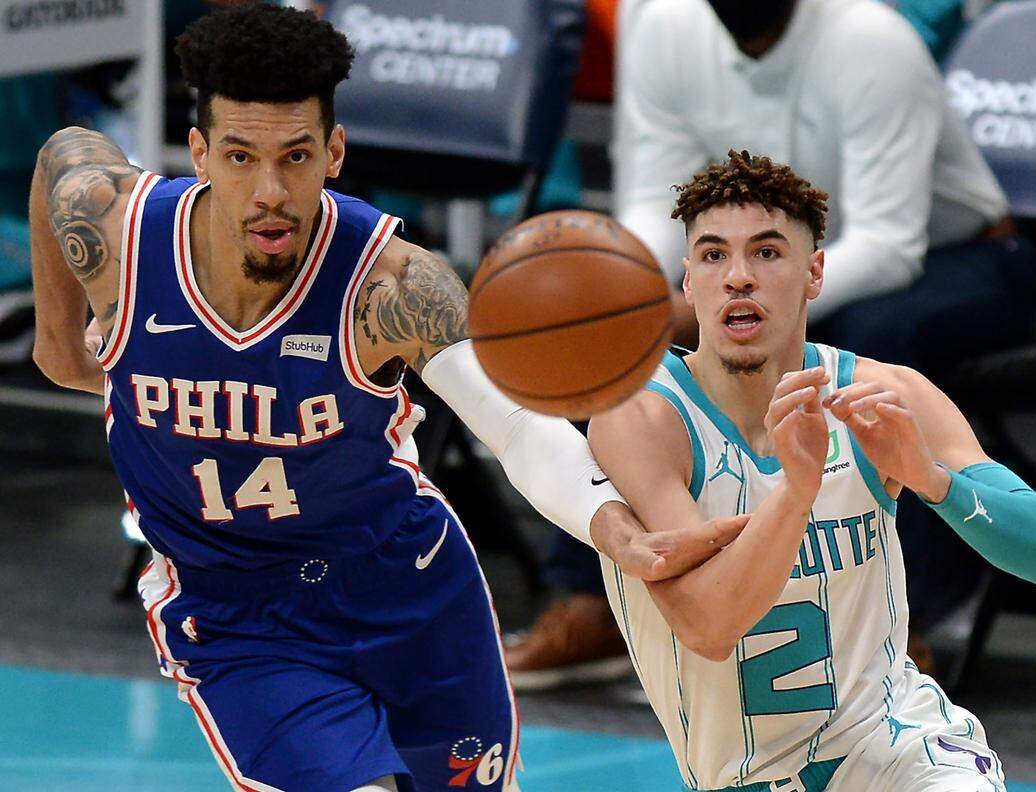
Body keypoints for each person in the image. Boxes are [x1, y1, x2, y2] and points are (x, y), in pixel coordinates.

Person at [28, 5, 744, 790]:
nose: (270, 191)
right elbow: (62, 156)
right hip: (238, 617)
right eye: (239, 156)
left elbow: (515, 425)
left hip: (408, 594)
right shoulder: (123, 237)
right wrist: (58, 344)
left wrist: (613, 527)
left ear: (333, 152)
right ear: (198, 153)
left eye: (296, 156)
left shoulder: (392, 285)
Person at [510, 0, 1036, 679]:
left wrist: (736, 303)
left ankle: (898, 624)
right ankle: (595, 601)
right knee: (611, 341)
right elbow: (651, 202)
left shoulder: (876, 41)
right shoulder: (662, 27)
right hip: (766, 263)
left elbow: (888, 244)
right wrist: (634, 303)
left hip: (960, 256)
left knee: (867, 335)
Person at [588, 151, 1036, 791]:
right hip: (744, 776)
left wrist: (934, 481)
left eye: (767, 253)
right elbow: (708, 624)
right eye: (713, 256)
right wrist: (797, 491)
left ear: (814, 273)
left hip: (898, 745)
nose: (738, 277)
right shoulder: (644, 420)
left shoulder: (883, 393)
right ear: (687, 282)